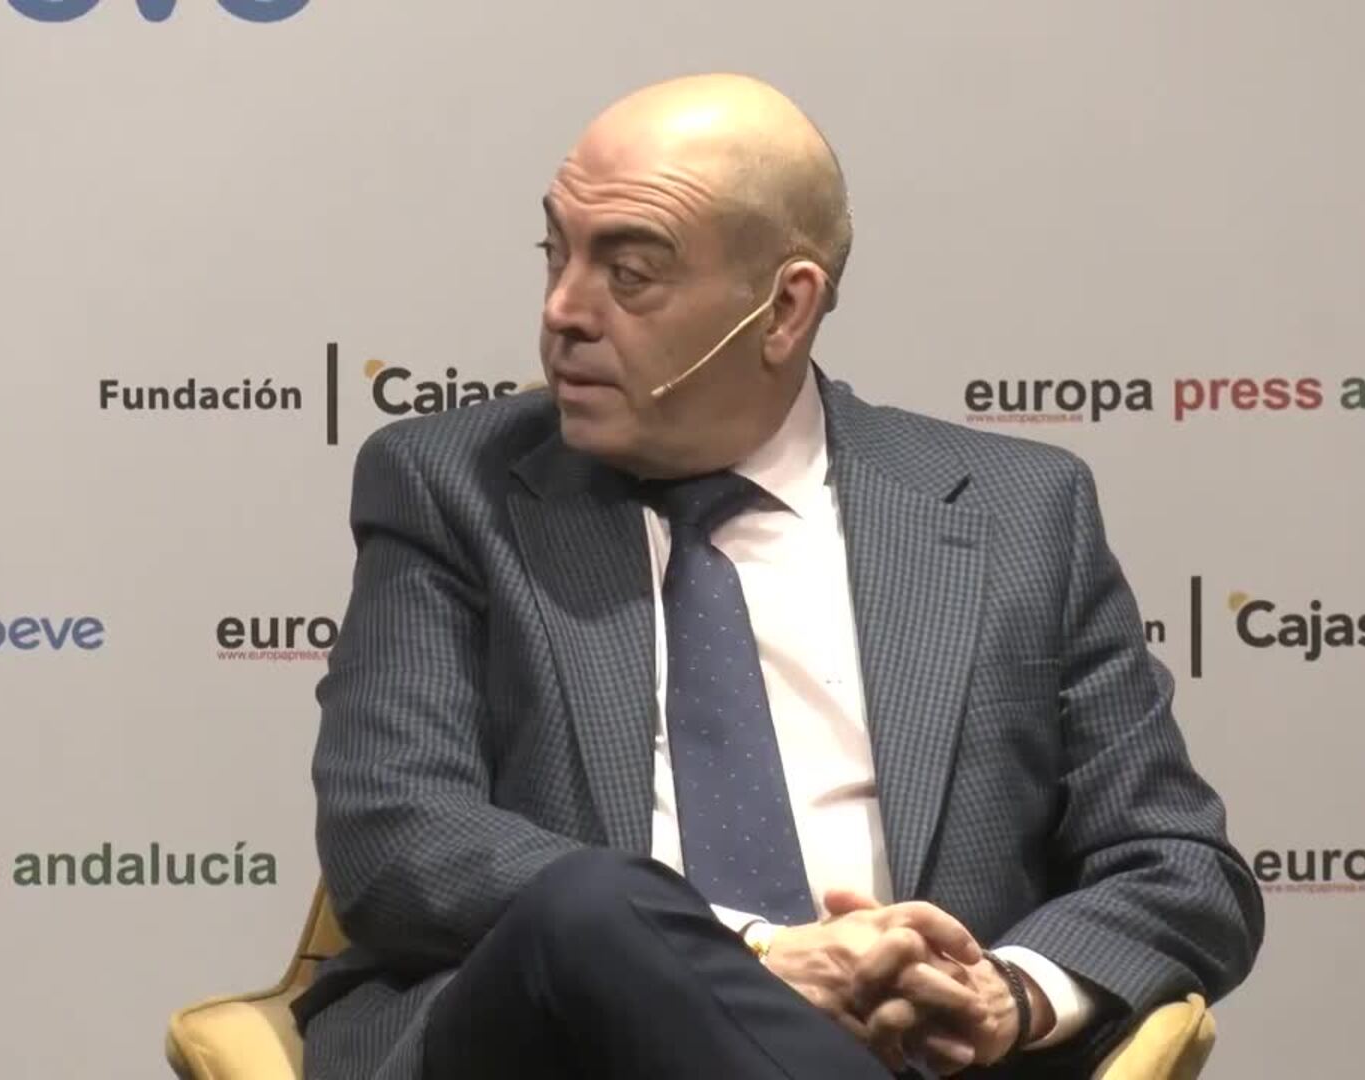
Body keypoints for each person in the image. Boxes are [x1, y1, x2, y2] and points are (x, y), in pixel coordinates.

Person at [294, 73, 1263, 1080]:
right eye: (556, 252)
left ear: (784, 307)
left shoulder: (1019, 514)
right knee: (590, 905)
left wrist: (1005, 993)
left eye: (631, 272)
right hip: (562, 1057)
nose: (564, 309)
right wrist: (746, 960)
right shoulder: (451, 488)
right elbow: (395, 833)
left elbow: (1179, 866)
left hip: (919, 1062)